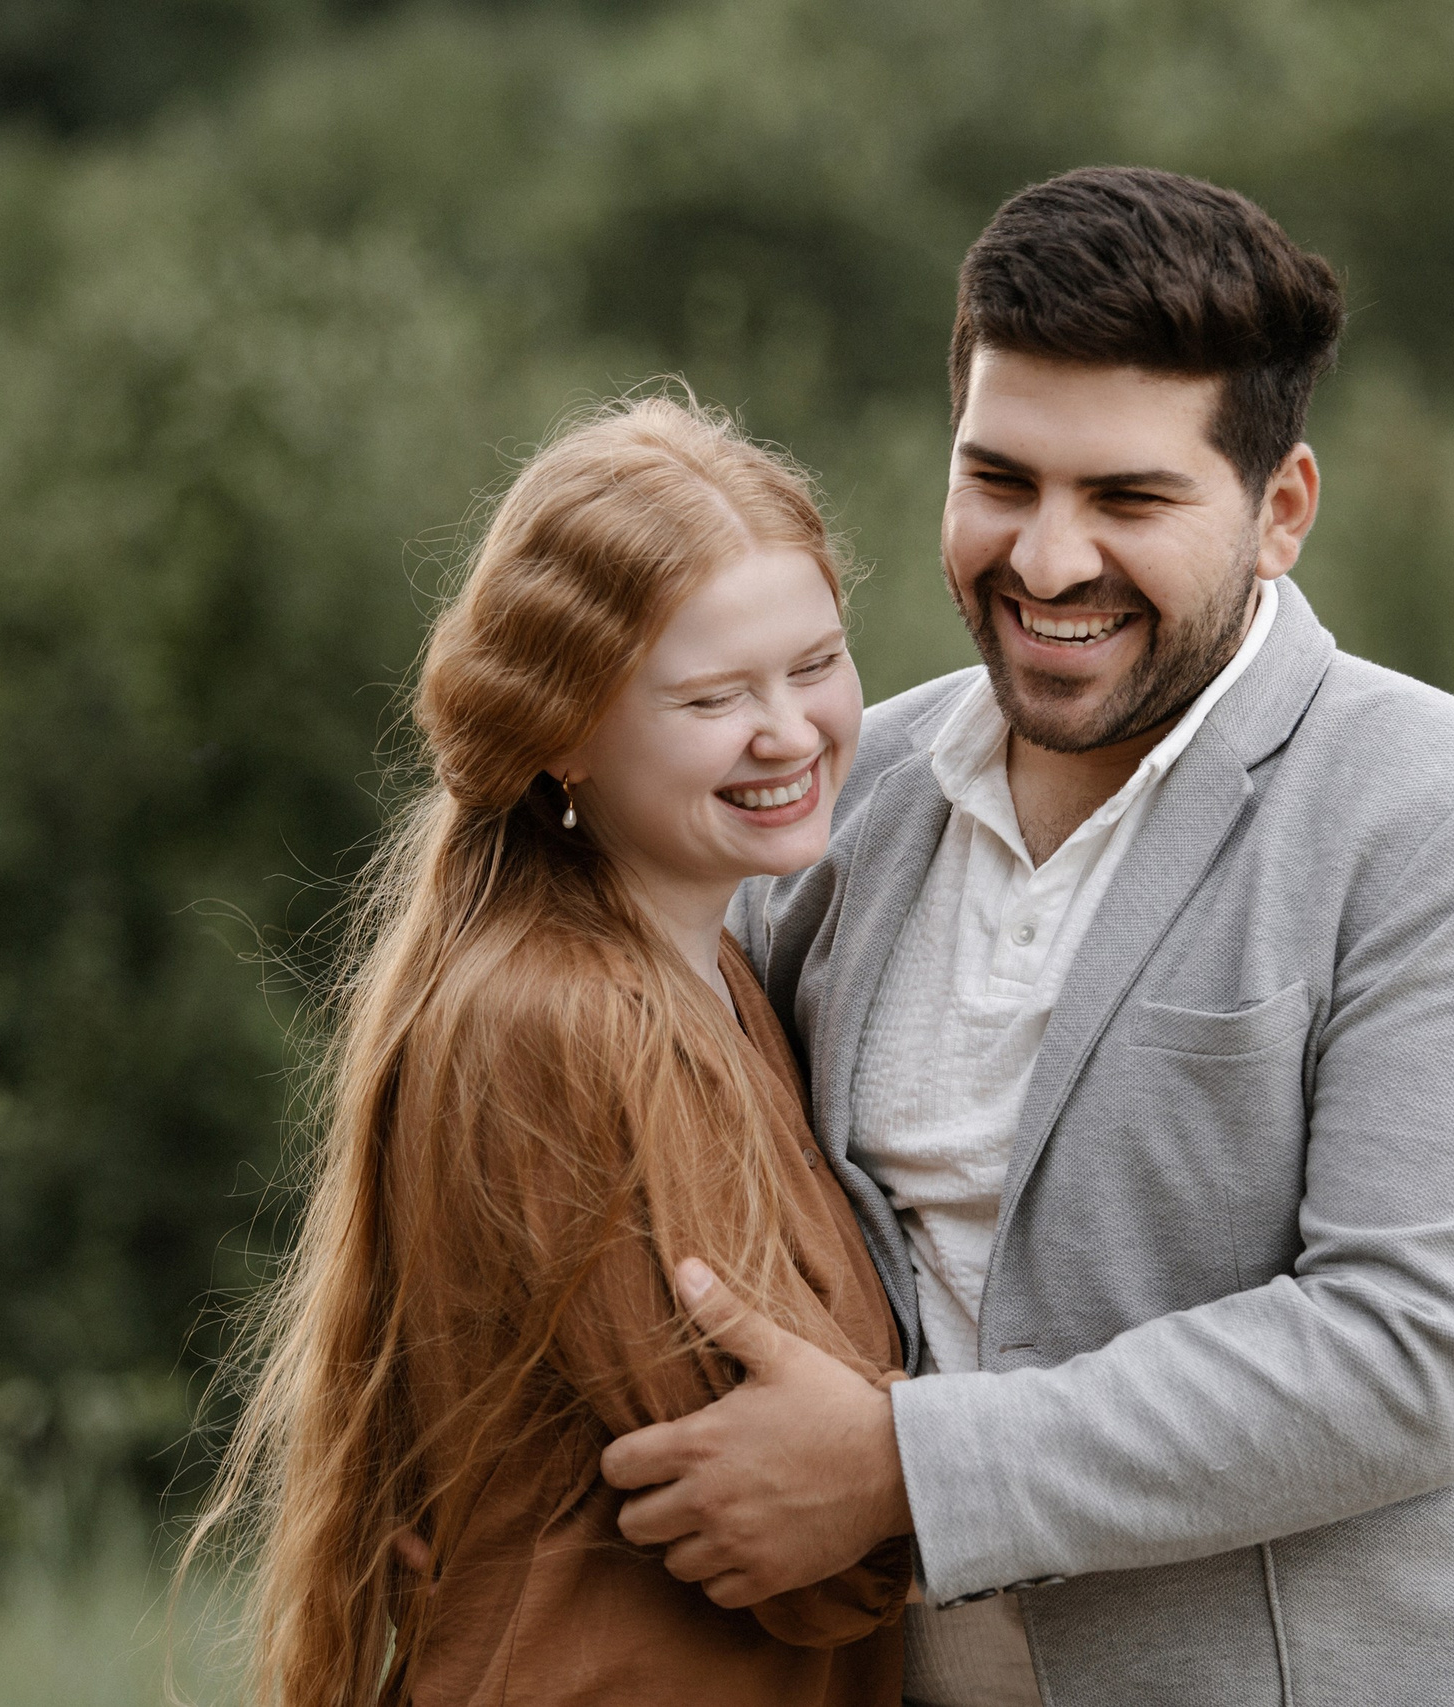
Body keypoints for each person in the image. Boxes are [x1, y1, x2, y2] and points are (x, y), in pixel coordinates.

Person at [598, 168, 1454, 1706]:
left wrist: (904, 1469)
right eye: (1001, 480)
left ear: (1279, 511)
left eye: (1129, 500)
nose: (1045, 561)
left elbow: (1408, 1355)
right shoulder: (844, 799)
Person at [187, 394, 911, 1706]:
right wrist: (1019, 1490)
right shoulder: (562, 1016)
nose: (791, 733)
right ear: (562, 731)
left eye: (814, 665)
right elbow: (786, 1536)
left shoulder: (713, 969)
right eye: (713, 696)